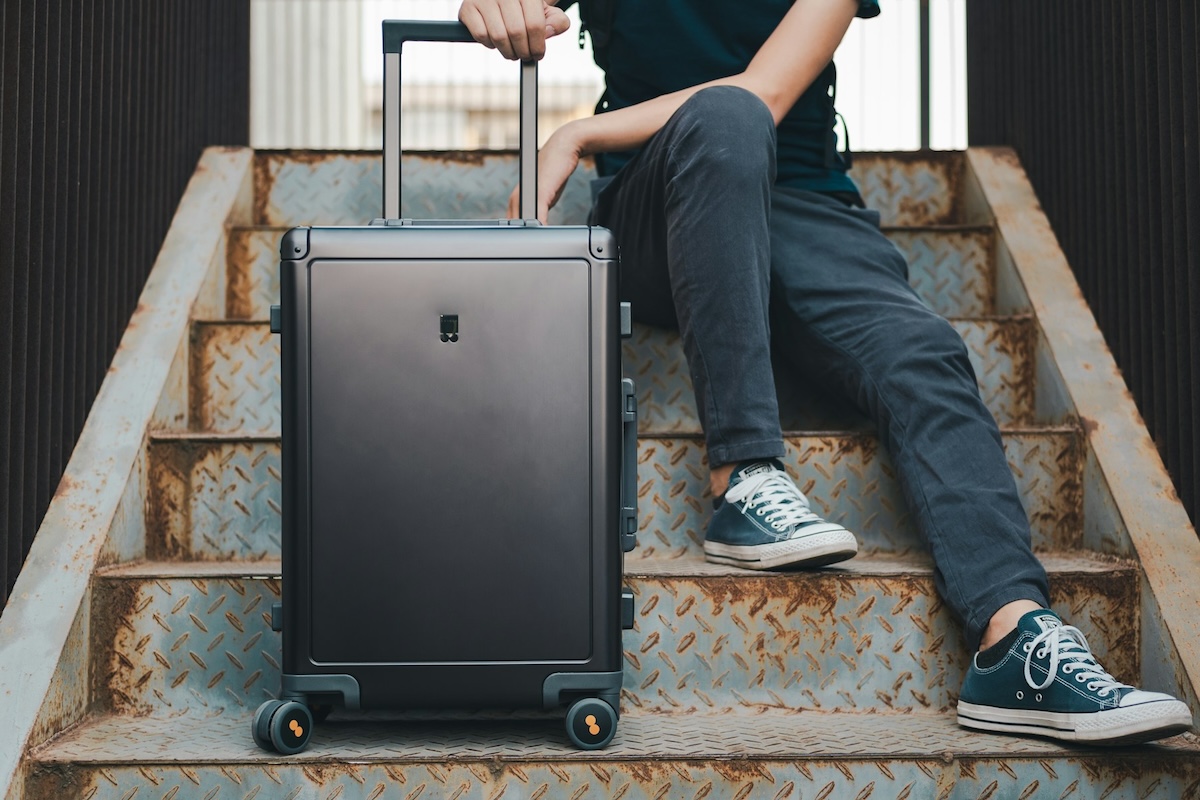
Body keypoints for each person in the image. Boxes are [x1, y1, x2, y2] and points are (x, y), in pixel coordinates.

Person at [456, 0, 1193, 745]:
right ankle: (742, 477)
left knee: (921, 353)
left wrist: (579, 131)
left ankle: (1013, 639)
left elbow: (762, 93)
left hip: (803, 205)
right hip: (660, 204)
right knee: (720, 124)